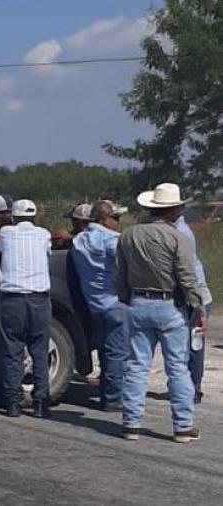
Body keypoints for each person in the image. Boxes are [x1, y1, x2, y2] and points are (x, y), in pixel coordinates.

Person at [115, 183, 207, 443]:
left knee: (136, 366)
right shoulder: (178, 237)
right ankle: (182, 425)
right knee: (177, 368)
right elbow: (188, 278)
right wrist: (198, 306)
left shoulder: (128, 235)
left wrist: (126, 299)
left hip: (138, 303)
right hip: (169, 306)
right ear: (173, 210)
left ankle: (131, 423)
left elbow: (119, 275)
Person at [0, 199, 53, 418]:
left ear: (13, 217)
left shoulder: (6, 233)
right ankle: (40, 402)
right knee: (39, 351)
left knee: (12, 350)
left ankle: (13, 403)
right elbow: (47, 252)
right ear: (35, 217)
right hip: (39, 298)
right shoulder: (44, 234)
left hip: (12, 299)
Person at [71, 200, 129, 411]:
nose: (117, 223)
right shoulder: (111, 239)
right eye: (116, 218)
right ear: (104, 219)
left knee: (106, 351)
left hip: (94, 303)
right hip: (115, 301)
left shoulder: (79, 240)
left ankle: (108, 391)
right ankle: (113, 398)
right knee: (117, 353)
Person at [173, 213, 213, 403]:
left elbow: (188, 273)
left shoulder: (179, 232)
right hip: (193, 293)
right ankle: (190, 387)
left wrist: (199, 305)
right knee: (191, 342)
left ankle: (193, 388)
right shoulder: (178, 230)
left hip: (193, 293)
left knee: (193, 343)